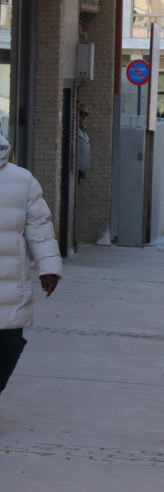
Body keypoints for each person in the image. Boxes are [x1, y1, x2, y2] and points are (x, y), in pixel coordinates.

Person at [0, 134, 62, 399]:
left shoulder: (23, 181)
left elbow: (40, 228)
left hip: (9, 285)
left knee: (9, 346)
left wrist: (48, 267)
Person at [77, 105, 91, 180]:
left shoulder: (84, 130)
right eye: (81, 113)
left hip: (81, 170)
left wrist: (84, 169)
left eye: (86, 114)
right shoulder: (74, 129)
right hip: (75, 169)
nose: (83, 115)